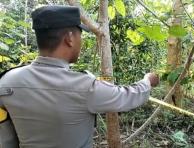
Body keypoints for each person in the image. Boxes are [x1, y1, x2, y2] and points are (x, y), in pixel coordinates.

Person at [0, 5, 160, 148]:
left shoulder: (6, 82)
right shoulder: (85, 87)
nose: (81, 41)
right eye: (80, 35)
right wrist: (148, 81)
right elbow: (127, 95)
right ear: (69, 38)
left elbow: (5, 138)